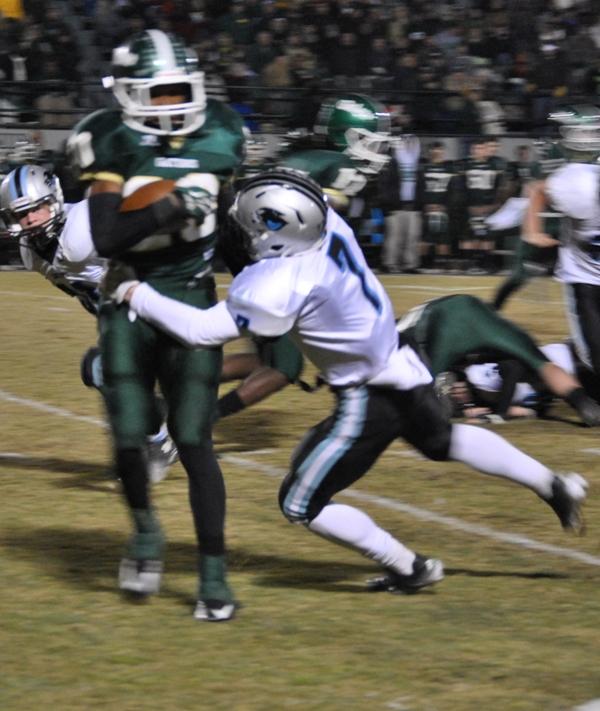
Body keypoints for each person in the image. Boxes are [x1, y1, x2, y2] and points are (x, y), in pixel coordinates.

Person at [106, 169, 588, 598]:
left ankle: (409, 567)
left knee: (300, 503)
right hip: (403, 362)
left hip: (367, 395)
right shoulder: (325, 223)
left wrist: (134, 291)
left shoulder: (278, 283)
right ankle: (552, 483)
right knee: (442, 439)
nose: (241, 230)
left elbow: (197, 330)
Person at [66, 29, 246, 622]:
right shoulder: (107, 135)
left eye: (178, 92)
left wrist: (254, 290)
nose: (172, 106)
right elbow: (108, 236)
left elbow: (233, 223)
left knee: (194, 439)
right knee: (126, 436)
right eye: (159, 94)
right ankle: (145, 532)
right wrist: (173, 205)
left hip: (192, 297)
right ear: (132, 94)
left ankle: (213, 575)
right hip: (127, 299)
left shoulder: (222, 129)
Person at [0, 163, 179, 483]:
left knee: (104, 368)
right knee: (105, 373)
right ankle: (159, 428)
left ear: (52, 199)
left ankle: (160, 439)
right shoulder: (31, 252)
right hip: (123, 317)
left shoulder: (84, 226)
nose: (27, 220)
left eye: (33, 210)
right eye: (18, 214)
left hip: (153, 307)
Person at [523, 105, 600, 394]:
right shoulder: (579, 178)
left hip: (584, 279)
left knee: (592, 349)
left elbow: (538, 190)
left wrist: (533, 231)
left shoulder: (573, 179)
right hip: (587, 272)